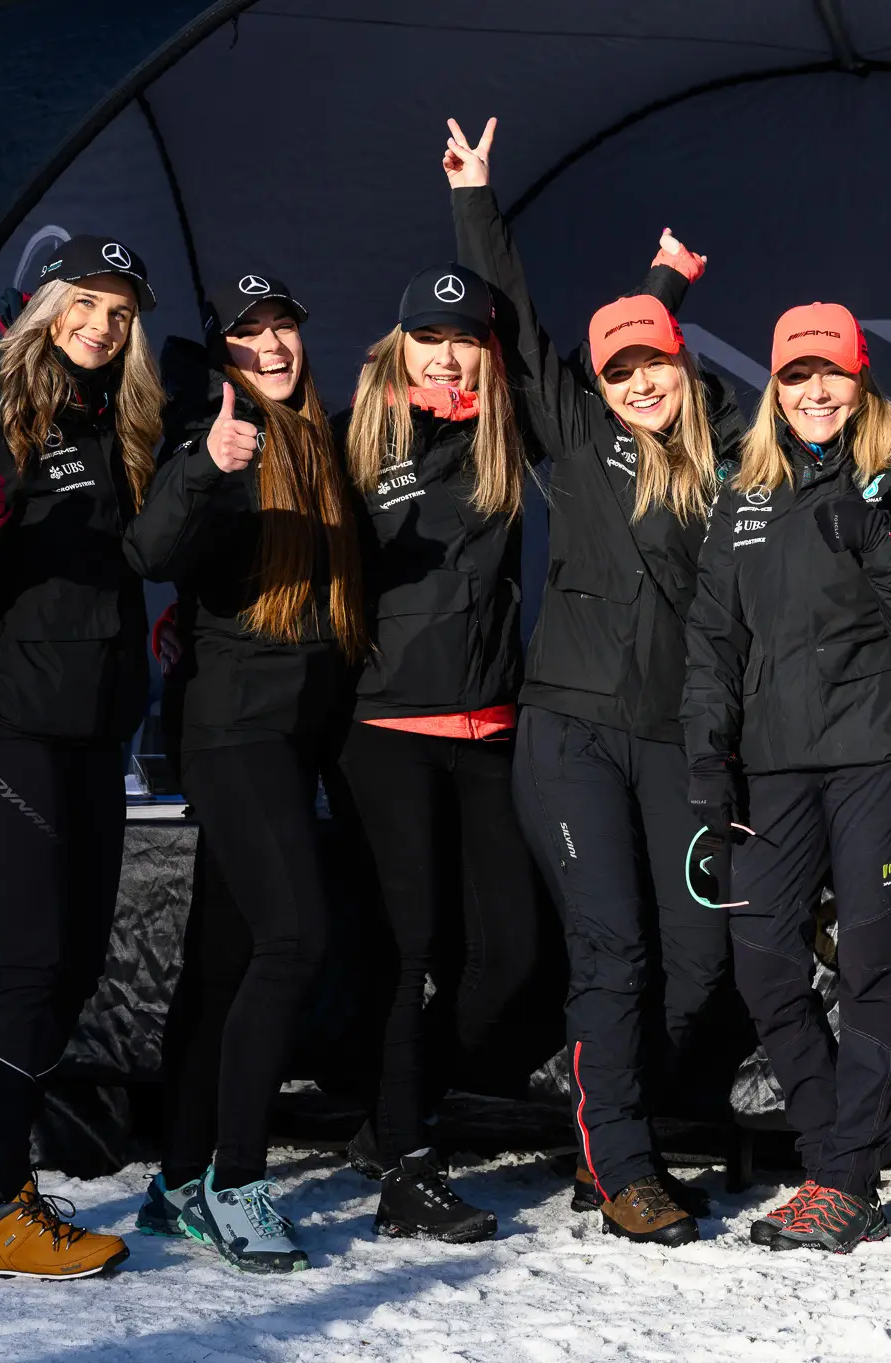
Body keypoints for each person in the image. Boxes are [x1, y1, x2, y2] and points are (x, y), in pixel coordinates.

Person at [442, 118, 740, 1246]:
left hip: (672, 737)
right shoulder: (575, 443)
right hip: (570, 733)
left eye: (651, 364)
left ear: (681, 364)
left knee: (698, 957)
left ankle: (608, 1129)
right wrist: (475, 200)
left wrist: (662, 288)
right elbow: (517, 329)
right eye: (616, 372)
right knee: (613, 948)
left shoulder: (723, 459)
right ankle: (619, 1163)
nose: (636, 383)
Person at [682, 303, 891, 1254]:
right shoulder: (745, 492)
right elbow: (713, 638)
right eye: (796, 377)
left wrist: (880, 537)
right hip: (773, 762)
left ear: (861, 380)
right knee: (763, 960)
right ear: (775, 388)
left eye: (830, 374)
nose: (814, 393)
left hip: (880, 752)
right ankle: (830, 1146)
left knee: (872, 963)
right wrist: (707, 756)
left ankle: (845, 1181)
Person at [0, 234, 161, 1279]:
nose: (101, 325)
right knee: (30, 963)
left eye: (119, 312)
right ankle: (10, 1211)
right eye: (84, 304)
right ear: (45, 306)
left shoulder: (116, 418)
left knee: (79, 963)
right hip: (5, 728)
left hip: (93, 730)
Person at [126, 272, 366, 1273]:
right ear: (223, 350)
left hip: (294, 735)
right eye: (250, 332)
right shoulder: (215, 438)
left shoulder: (320, 438)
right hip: (234, 734)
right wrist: (204, 463)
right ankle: (236, 1180)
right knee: (294, 935)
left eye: (284, 328)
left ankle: (180, 1176)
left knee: (222, 960)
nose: (272, 346)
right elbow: (150, 548)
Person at [329, 225, 557, 1242]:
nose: (449, 357)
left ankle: (392, 1112)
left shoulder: (506, 433)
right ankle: (408, 1165)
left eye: (466, 339)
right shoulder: (353, 439)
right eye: (430, 337)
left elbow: (555, 351)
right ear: (399, 344)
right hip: (383, 728)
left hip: (490, 726)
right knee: (410, 947)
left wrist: (478, 205)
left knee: (516, 954)